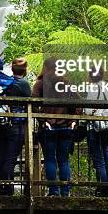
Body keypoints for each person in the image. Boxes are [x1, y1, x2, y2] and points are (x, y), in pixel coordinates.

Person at [32, 57, 81, 197]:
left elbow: (33, 103)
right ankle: (65, 192)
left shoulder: (40, 83)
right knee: (63, 160)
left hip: (48, 128)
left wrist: (43, 119)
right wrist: (73, 120)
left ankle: (53, 191)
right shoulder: (66, 82)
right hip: (65, 127)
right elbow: (78, 101)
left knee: (50, 159)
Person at [0, 57, 31, 195]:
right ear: (25, 70)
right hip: (16, 125)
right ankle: (7, 190)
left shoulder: (6, 83)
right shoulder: (23, 84)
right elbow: (30, 103)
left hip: (3, 125)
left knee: (1, 157)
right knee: (10, 160)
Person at [84, 67, 108, 197]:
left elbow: (88, 111)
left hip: (94, 128)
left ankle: (103, 190)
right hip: (106, 127)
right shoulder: (106, 88)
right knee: (105, 158)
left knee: (99, 160)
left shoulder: (93, 89)